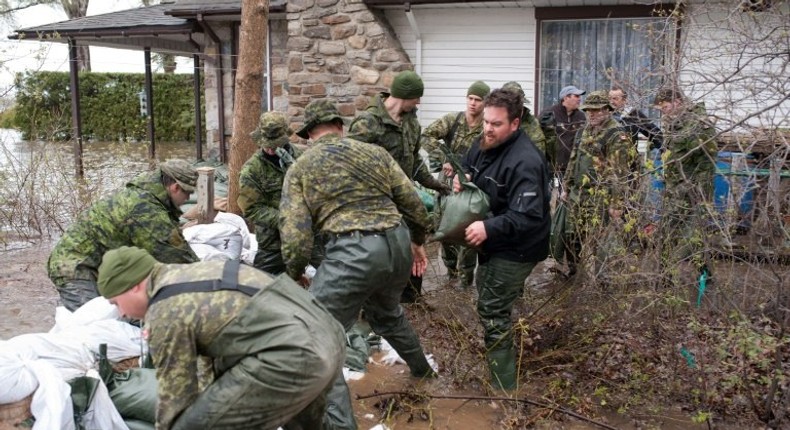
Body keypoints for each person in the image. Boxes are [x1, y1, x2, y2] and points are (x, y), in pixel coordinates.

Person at [281, 99, 437, 429]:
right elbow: (415, 205)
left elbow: (295, 237)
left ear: (309, 134)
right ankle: (424, 374)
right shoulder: (375, 153)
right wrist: (418, 243)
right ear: (340, 126)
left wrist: (295, 273)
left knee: (317, 335)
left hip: (353, 251)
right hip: (396, 245)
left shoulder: (301, 168)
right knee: (387, 315)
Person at [96, 246, 345, 430]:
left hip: (294, 356)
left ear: (134, 286)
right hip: (329, 338)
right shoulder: (194, 273)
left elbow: (175, 396)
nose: (121, 312)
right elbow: (206, 365)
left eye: (116, 302)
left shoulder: (164, 310)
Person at [454, 89, 551, 390]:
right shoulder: (484, 142)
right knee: (487, 291)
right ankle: (506, 350)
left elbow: (528, 217)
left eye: (496, 124)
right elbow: (469, 164)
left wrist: (488, 227)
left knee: (491, 310)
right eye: (485, 121)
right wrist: (462, 177)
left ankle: (503, 388)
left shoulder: (525, 161)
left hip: (519, 246)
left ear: (515, 123)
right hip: (495, 240)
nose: (487, 128)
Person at [348, 70, 451, 302]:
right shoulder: (367, 123)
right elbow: (350, 165)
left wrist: (433, 184)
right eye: (417, 97)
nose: (419, 102)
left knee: (416, 236)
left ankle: (412, 296)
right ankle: (377, 300)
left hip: (404, 195)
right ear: (406, 95)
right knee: (380, 251)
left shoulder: (411, 121)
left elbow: (414, 159)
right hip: (377, 200)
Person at [47, 159, 199, 311]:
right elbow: (175, 255)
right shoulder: (145, 209)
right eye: (188, 193)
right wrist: (210, 275)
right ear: (176, 188)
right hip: (74, 266)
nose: (187, 199)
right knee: (93, 322)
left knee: (120, 312)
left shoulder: (146, 194)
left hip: (97, 262)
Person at [421, 80, 490, 288]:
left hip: (470, 187)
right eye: (470, 98)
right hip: (447, 185)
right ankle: (451, 271)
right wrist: (444, 159)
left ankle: (465, 278)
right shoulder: (454, 120)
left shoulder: (486, 126)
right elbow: (426, 135)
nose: (473, 103)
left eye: (478, 100)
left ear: (485, 103)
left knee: (467, 231)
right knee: (443, 228)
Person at [238, 111, 322, 275]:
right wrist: (288, 219)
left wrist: (297, 170)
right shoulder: (252, 170)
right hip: (274, 243)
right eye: (266, 144)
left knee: (333, 275)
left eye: (276, 144)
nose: (270, 149)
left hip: (311, 236)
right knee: (262, 286)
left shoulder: (303, 158)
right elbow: (252, 208)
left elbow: (320, 192)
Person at [562, 90, 636, 276]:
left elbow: (619, 172)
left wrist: (617, 203)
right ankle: (573, 272)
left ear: (608, 110)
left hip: (600, 197)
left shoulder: (616, 134)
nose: (592, 114)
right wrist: (566, 187)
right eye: (588, 110)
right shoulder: (584, 130)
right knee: (571, 234)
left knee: (600, 241)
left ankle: (603, 280)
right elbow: (574, 159)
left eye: (596, 110)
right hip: (578, 193)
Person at [653, 87, 717, 276]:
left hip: (692, 192)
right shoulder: (674, 124)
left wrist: (702, 198)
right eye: (661, 108)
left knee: (689, 237)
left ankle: (690, 275)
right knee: (667, 234)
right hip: (675, 190)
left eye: (665, 106)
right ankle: (667, 277)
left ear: (678, 102)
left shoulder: (698, 125)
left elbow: (707, 163)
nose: (663, 111)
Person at [538, 85, 587, 179]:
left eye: (579, 97)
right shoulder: (548, 114)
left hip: (572, 168)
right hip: (551, 168)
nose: (579, 99)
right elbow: (538, 139)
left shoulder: (581, 117)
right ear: (566, 98)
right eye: (576, 96)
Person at [609, 85, 663, 152]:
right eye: (609, 98)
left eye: (615, 99)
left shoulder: (634, 115)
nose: (611, 102)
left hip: (629, 158)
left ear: (624, 100)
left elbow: (655, 132)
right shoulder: (604, 116)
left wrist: (656, 151)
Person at [501, 81, 547, 154]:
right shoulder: (493, 122)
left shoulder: (531, 124)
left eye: (518, 104)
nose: (514, 109)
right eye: (510, 105)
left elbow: (538, 155)